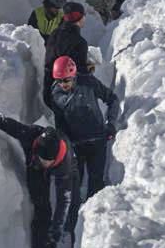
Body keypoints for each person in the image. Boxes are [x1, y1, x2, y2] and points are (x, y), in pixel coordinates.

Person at [0, 118, 80, 248]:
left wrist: (55, 232)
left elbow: (64, 200)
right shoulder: (31, 135)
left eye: (45, 161)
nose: (42, 162)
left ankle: (68, 234)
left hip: (65, 164)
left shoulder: (64, 166)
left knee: (74, 199)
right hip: (34, 166)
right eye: (41, 158)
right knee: (41, 206)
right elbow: (3, 121)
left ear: (54, 160)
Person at [50, 56, 119, 199]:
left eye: (66, 80)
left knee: (96, 185)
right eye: (59, 81)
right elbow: (60, 123)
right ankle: (75, 217)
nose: (63, 84)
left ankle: (96, 214)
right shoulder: (56, 94)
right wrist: (65, 145)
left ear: (73, 74)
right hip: (76, 145)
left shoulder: (88, 83)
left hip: (97, 141)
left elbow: (112, 99)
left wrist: (111, 123)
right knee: (74, 186)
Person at [43, 1, 93, 108]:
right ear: (80, 17)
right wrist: (88, 69)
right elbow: (81, 75)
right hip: (67, 98)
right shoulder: (80, 42)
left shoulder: (54, 34)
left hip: (48, 93)